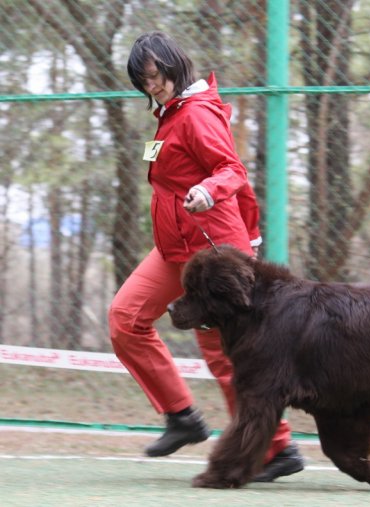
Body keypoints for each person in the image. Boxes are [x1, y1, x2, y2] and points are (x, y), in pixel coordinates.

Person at [108, 31, 303, 481]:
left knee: (225, 356)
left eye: (154, 76)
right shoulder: (169, 115)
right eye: (143, 80)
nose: (150, 86)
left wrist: (207, 191)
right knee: (124, 319)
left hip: (212, 253)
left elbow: (232, 170)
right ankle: (182, 417)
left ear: (175, 66)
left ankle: (276, 450)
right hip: (173, 251)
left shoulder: (196, 114)